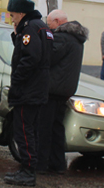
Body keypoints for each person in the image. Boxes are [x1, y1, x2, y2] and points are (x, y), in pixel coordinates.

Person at [4, 0, 53, 187]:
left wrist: (17, 80)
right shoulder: (42, 27)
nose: (11, 19)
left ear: (22, 13)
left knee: (23, 131)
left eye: (13, 15)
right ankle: (29, 168)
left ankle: (27, 171)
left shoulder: (30, 28)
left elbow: (30, 57)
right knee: (31, 131)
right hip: (38, 88)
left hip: (28, 90)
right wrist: (17, 36)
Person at [37, 10, 89, 175]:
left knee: (44, 128)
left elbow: (48, 58)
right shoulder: (76, 39)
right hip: (65, 90)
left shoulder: (61, 38)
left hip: (53, 89)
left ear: (58, 21)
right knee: (57, 129)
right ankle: (57, 164)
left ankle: (41, 164)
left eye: (50, 23)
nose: (48, 26)